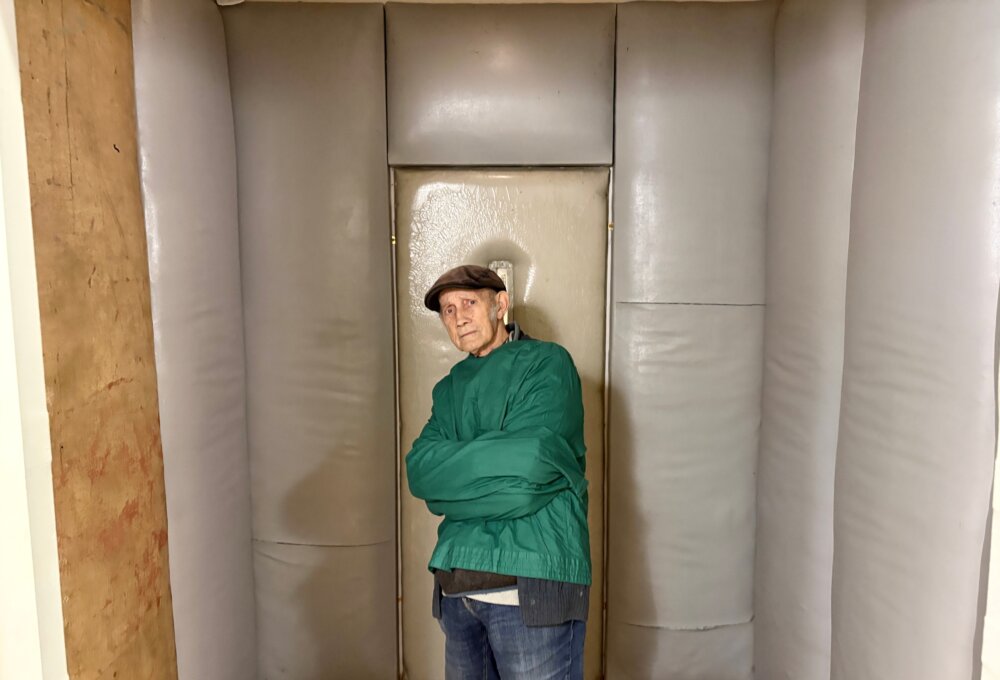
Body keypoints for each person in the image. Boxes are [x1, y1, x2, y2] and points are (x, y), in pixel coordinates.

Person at [406, 264, 591, 680]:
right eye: (447, 310)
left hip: (530, 581)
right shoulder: (449, 387)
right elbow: (421, 474)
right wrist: (491, 465)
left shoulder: (547, 364)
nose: (458, 317)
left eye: (468, 303)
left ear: (500, 305)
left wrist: (454, 482)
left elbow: (530, 468)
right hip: (457, 591)